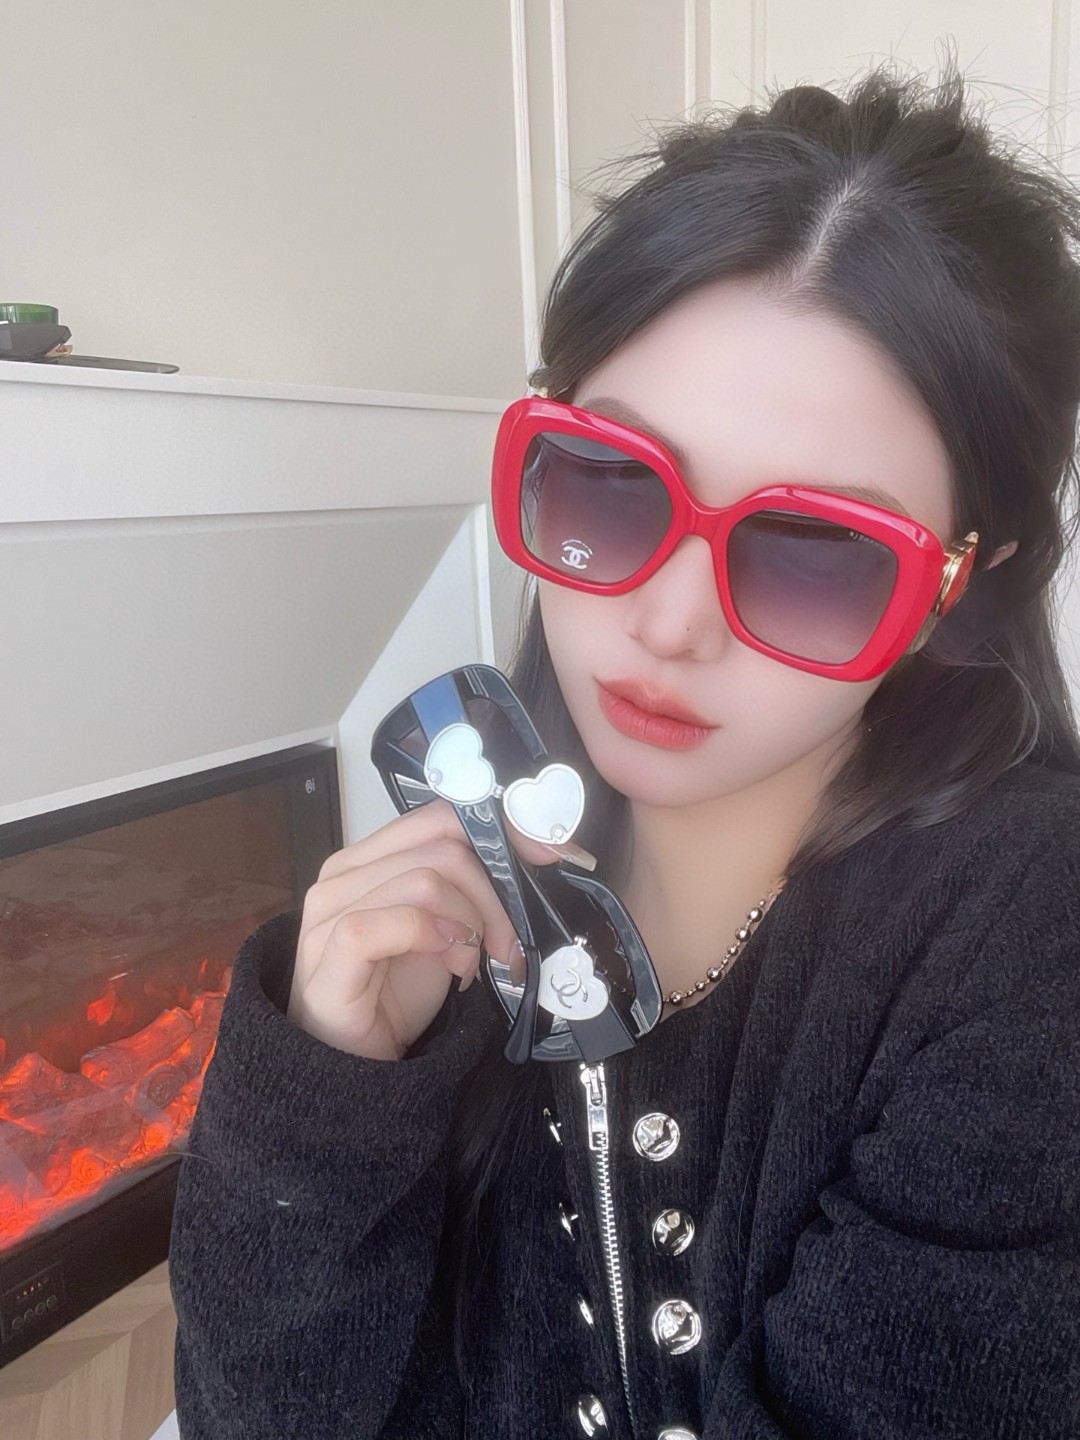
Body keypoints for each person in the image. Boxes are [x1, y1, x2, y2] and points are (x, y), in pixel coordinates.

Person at [168, 58, 1080, 1439]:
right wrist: (325, 1096)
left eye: (818, 553)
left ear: (963, 584)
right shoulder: (467, 904)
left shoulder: (1029, 940)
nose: (665, 624)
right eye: (611, 483)